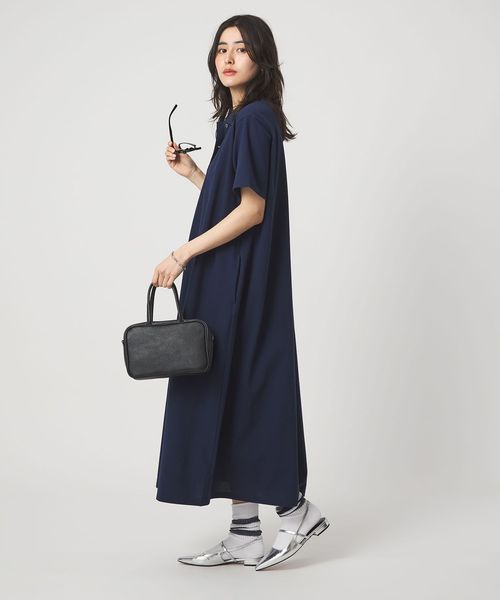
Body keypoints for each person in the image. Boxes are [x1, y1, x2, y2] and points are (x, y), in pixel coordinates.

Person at [151, 15, 330, 570]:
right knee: (226, 391)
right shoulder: (238, 121)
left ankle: (296, 511)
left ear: (261, 59)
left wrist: (182, 254)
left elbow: (253, 212)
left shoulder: (253, 119)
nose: (228, 58)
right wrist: (194, 175)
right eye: (221, 48)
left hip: (240, 281)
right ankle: (245, 532)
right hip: (230, 277)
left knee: (249, 390)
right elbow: (233, 202)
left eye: (242, 49)